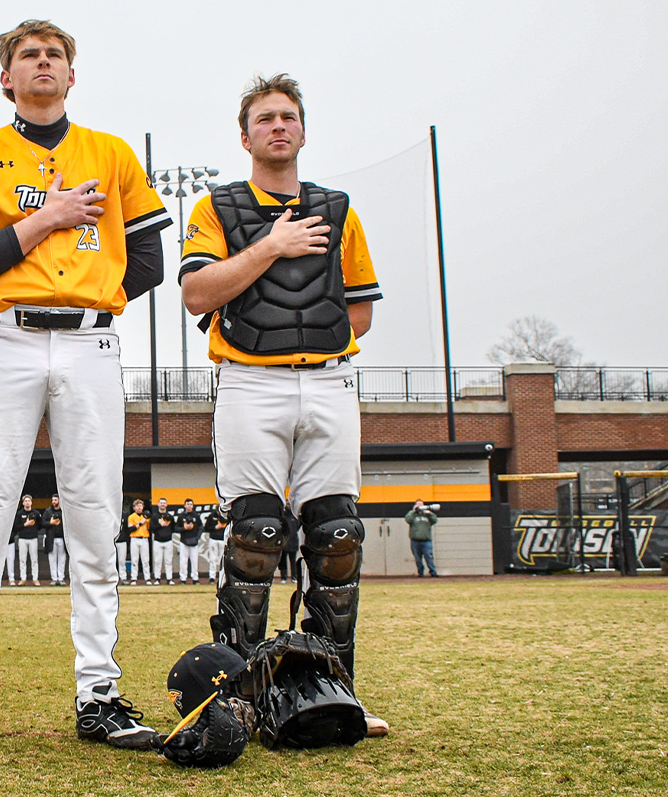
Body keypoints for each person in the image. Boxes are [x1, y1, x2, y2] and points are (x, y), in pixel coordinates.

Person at [0, 20, 169, 757]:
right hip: (7, 339)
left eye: (53, 55)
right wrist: (48, 220)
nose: (41, 63)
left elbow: (149, 258)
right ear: (7, 78)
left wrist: (94, 295)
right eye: (26, 55)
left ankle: (98, 693)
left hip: (91, 340)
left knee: (95, 518)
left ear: (70, 74)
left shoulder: (111, 154)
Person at [178, 73, 386, 736]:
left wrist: (307, 338)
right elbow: (197, 293)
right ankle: (236, 697)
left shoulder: (338, 208)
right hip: (248, 381)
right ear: (244, 136)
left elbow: (358, 309)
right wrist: (271, 245)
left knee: (336, 537)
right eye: (264, 118)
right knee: (256, 534)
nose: (277, 126)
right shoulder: (216, 208)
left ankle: (334, 690)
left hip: (328, 382)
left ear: (302, 129)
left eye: (287, 116)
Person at [405, 500, 440, 577]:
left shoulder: (427, 514)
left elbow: (435, 520)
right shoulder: (412, 514)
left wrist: (429, 513)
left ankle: (433, 572)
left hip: (426, 540)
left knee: (429, 556)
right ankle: (420, 572)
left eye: (421, 504)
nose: (420, 506)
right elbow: (408, 520)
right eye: (418, 504)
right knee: (418, 558)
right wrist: (414, 512)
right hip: (415, 540)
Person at [14, 495, 42, 586]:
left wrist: (34, 530)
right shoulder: (19, 513)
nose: (27, 502)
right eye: (25, 501)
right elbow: (16, 526)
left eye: (28, 501)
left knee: (34, 559)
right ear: (23, 503)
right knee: (22, 559)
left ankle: (35, 578)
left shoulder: (36, 513)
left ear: (31, 502)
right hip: (22, 538)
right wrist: (25, 525)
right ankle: (23, 578)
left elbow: (40, 525)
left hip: (33, 538)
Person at [175, 499, 203, 585]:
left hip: (194, 542)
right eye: (188, 504)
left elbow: (201, 527)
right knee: (183, 561)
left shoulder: (196, 516)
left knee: (194, 561)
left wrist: (197, 538)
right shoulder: (181, 516)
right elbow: (176, 528)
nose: (189, 506)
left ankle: (195, 578)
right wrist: (184, 528)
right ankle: (183, 578)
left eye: (191, 504)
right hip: (184, 541)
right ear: (185, 505)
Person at [126, 499, 152, 586]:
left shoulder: (146, 517)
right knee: (134, 559)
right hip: (135, 538)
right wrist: (140, 523)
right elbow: (130, 529)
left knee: (145, 560)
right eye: (137, 506)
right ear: (134, 508)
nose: (139, 508)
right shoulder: (131, 517)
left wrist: (146, 520)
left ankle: (147, 578)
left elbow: (149, 528)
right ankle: (134, 578)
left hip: (144, 539)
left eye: (140, 506)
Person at [150, 497, 175, 585]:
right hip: (157, 541)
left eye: (164, 503)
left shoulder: (170, 516)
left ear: (167, 504)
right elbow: (151, 528)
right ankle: (157, 578)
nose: (163, 504)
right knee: (157, 561)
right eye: (161, 503)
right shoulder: (155, 516)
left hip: (168, 541)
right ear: (158, 504)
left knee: (168, 561)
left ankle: (169, 578)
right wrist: (160, 525)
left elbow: (173, 528)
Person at [42, 494, 66, 585]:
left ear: (59, 500)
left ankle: (61, 578)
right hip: (51, 538)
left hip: (62, 538)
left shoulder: (63, 511)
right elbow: (42, 523)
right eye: (53, 500)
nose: (53, 502)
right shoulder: (48, 511)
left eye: (55, 500)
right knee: (52, 559)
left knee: (62, 559)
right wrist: (50, 523)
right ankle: (54, 578)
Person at [203, 509, 228, 585]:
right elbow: (206, 528)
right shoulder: (212, 516)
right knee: (212, 559)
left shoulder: (227, 516)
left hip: (223, 539)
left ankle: (222, 577)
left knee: (223, 559)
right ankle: (212, 577)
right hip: (213, 539)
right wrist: (215, 527)